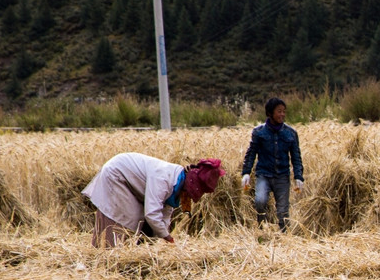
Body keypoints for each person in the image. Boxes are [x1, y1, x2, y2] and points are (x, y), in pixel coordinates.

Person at [83, 153, 225, 248]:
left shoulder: (177, 181)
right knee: (130, 217)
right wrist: (167, 237)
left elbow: (165, 212)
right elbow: (151, 213)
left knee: (141, 221)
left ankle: (132, 249)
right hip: (116, 174)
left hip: (127, 181)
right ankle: (108, 252)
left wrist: (164, 238)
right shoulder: (163, 178)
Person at [241, 97, 304, 232]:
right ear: (270, 113)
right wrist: (246, 172)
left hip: (282, 176)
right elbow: (251, 153)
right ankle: (261, 229)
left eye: (284, 111)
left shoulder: (291, 133)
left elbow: (296, 156)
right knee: (260, 201)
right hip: (264, 174)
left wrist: (299, 176)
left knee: (283, 211)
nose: (282, 114)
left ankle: (284, 237)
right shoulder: (259, 132)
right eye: (279, 111)